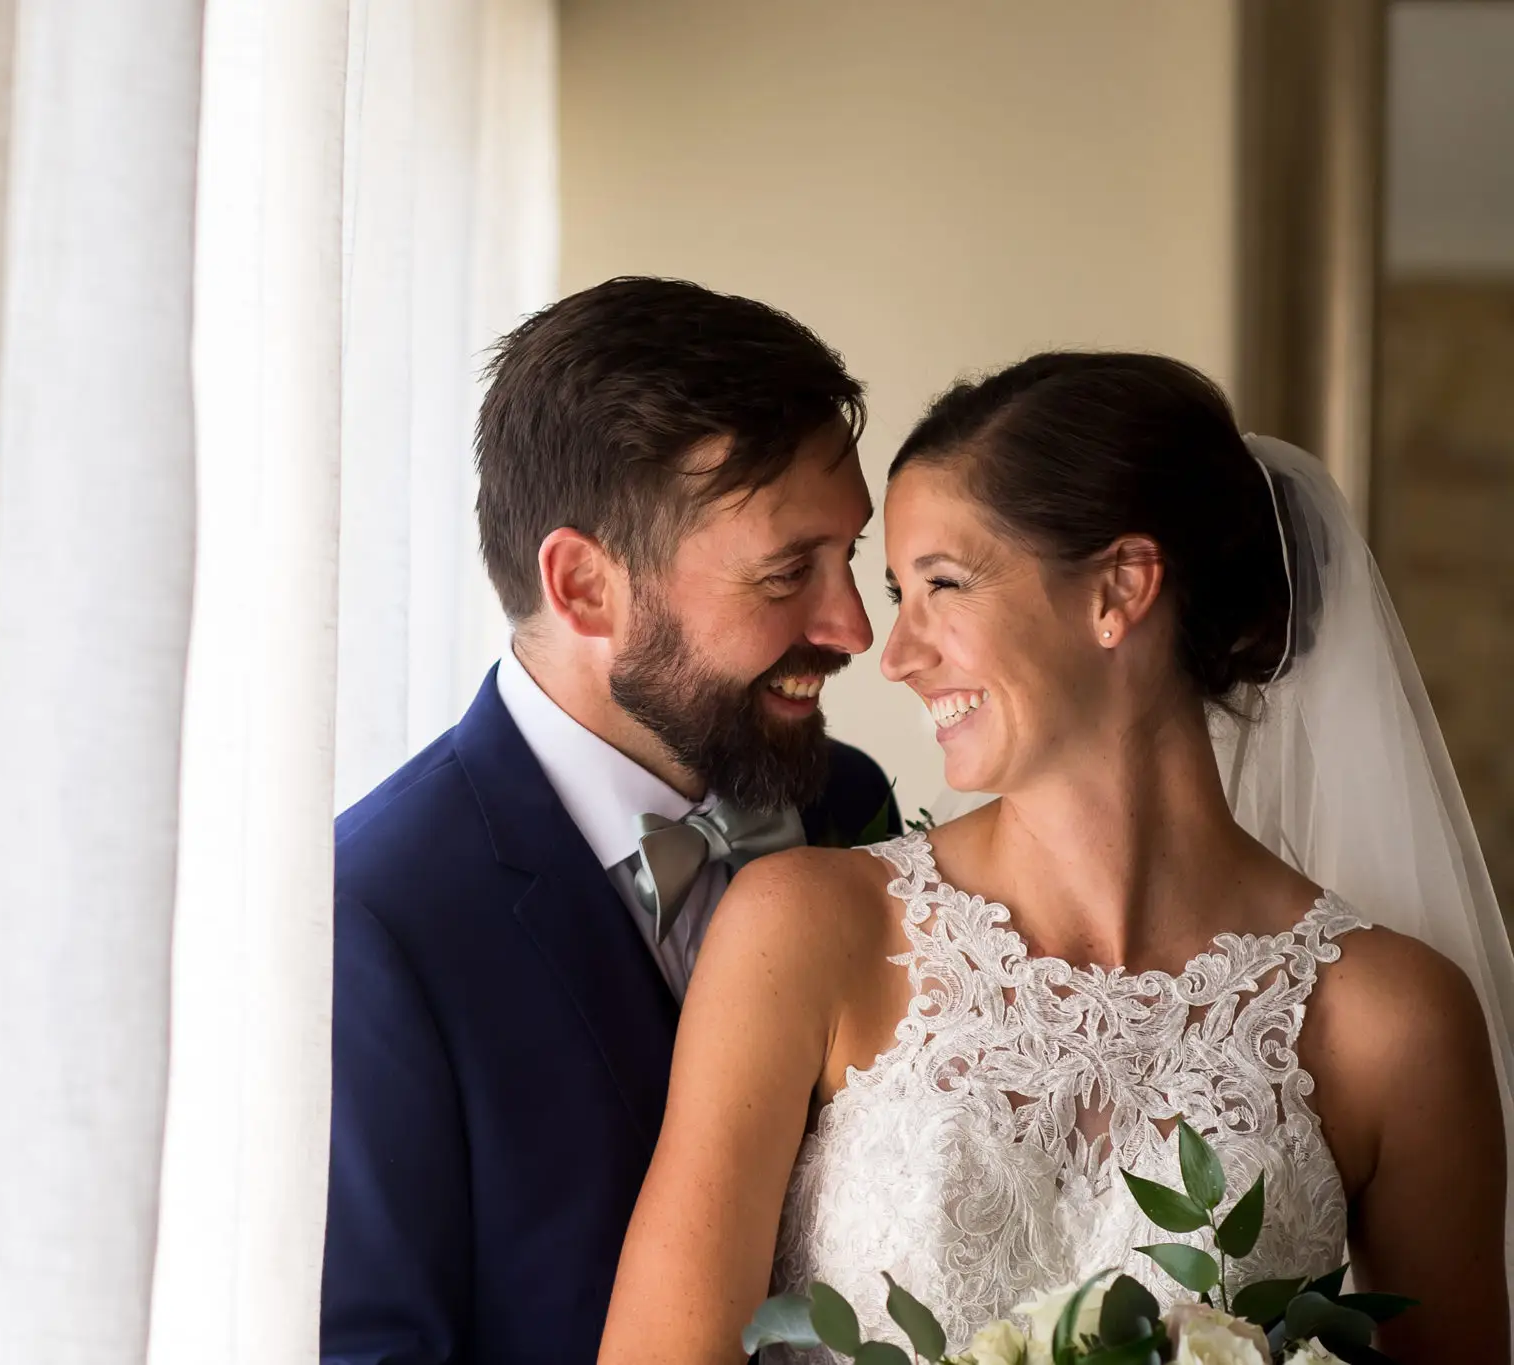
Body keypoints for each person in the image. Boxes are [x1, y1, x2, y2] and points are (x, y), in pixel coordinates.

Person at [599, 353, 1514, 1361]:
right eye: (898, 590)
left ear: (1117, 588)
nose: (895, 653)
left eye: (941, 585)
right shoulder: (808, 928)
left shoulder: (1393, 1023)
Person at [323, 277, 901, 1365]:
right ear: (584, 586)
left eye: (850, 558)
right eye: (788, 572)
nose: (853, 627)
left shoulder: (851, 804)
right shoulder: (374, 925)